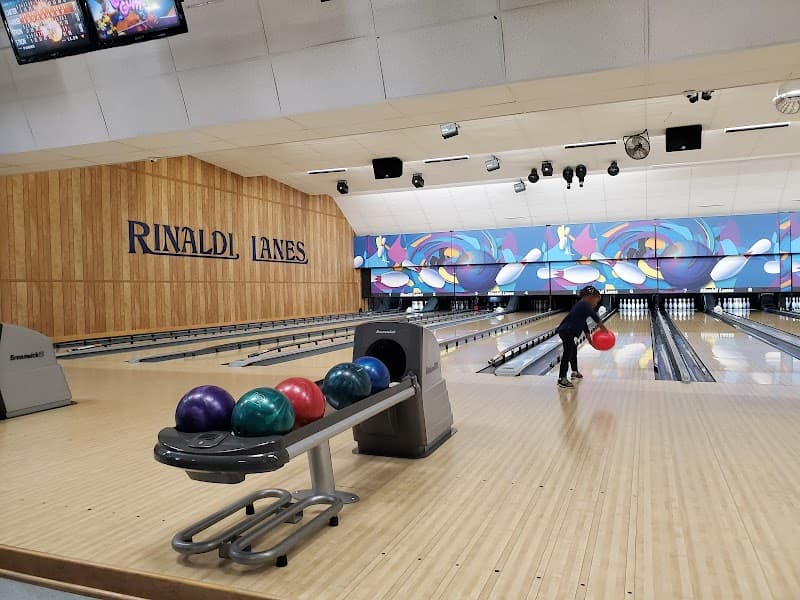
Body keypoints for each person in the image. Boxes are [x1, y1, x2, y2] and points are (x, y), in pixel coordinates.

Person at [555, 286, 607, 388]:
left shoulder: (583, 305)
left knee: (573, 350)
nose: (596, 304)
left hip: (568, 331)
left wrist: (589, 338)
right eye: (596, 301)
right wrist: (605, 330)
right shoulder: (584, 304)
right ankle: (562, 379)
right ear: (590, 297)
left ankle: (574, 371)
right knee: (568, 353)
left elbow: (584, 323)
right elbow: (596, 318)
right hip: (566, 331)